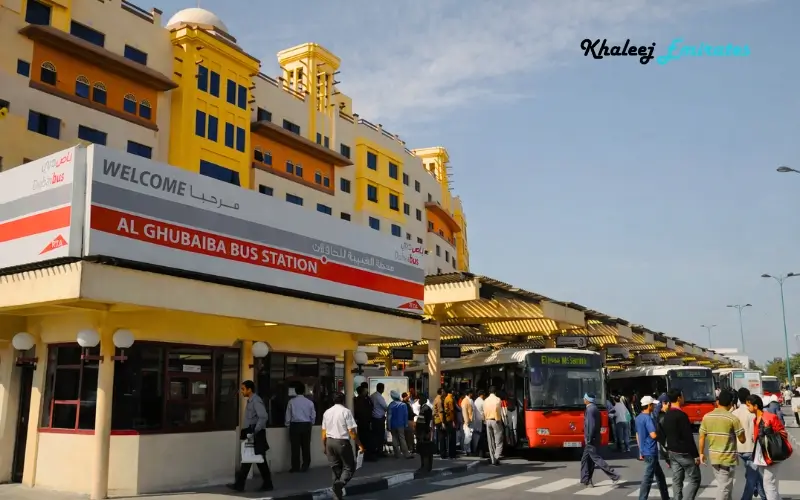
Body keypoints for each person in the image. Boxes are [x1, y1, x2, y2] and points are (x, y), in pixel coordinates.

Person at [698, 390, 746, 500]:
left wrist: (701, 453)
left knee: (725, 485)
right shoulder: (732, 418)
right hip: (727, 458)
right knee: (724, 488)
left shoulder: (707, 416)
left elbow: (702, 437)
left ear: (718, 402)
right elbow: (742, 439)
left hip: (714, 457)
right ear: (731, 404)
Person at [228, 380, 274, 492]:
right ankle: (242, 485)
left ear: (249, 389)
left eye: (243, 389)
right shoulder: (250, 401)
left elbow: (263, 417)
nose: (242, 391)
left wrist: (255, 430)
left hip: (256, 434)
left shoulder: (256, 401)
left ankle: (242, 485)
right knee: (251, 459)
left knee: (255, 459)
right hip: (251, 433)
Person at [322, 392, 366, 500]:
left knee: (335, 469)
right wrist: (360, 445)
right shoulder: (346, 412)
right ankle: (340, 484)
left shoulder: (327, 412)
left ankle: (337, 496)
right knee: (349, 467)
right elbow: (351, 431)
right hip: (341, 442)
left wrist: (324, 446)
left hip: (329, 442)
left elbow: (323, 432)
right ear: (343, 400)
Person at [747, 394, 789, 500]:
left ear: (755, 406)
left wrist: (769, 435)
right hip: (761, 454)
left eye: (749, 405)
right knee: (768, 482)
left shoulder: (770, 417)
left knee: (768, 482)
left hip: (772, 454)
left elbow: (782, 433)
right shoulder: (755, 419)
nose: (747, 408)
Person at [661, 389, 701, 500]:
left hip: (672, 451)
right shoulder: (681, 415)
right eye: (682, 396)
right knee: (695, 479)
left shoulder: (667, 415)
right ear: (679, 398)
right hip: (683, 452)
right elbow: (688, 437)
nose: (684, 398)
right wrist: (695, 455)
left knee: (677, 479)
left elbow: (663, 434)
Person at [581, 393, 621, 487]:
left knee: (595, 458)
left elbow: (591, 425)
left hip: (591, 439)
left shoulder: (590, 409)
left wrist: (589, 438)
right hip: (595, 437)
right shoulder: (595, 408)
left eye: (584, 398)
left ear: (587, 400)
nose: (583, 399)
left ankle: (614, 475)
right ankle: (586, 479)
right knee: (585, 459)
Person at [733, 388, 766, 500]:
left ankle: (764, 495)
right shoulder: (753, 412)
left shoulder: (734, 413)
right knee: (752, 478)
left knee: (754, 474)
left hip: (739, 449)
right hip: (752, 449)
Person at [635, 395, 669, 500]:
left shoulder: (638, 418)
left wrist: (640, 450)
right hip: (651, 451)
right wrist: (662, 437)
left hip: (645, 451)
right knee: (648, 479)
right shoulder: (648, 418)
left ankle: (666, 497)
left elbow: (637, 435)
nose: (654, 407)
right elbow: (653, 435)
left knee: (660, 477)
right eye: (653, 405)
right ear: (649, 405)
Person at [285, 383, 316, 473]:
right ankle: (305, 465)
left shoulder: (291, 402)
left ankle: (295, 467)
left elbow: (288, 415)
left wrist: (287, 424)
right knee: (306, 446)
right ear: (304, 391)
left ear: (295, 391)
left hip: (295, 425)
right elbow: (313, 415)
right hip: (306, 425)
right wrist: (311, 423)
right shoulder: (309, 402)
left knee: (295, 447)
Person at [387, 390, 413, 458]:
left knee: (394, 438)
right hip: (401, 424)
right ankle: (406, 454)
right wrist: (406, 424)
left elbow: (389, 416)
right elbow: (405, 415)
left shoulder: (391, 405)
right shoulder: (403, 405)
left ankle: (397, 454)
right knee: (402, 438)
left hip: (393, 425)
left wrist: (388, 425)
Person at [415, 392, 435, 473]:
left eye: (420, 398)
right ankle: (424, 466)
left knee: (425, 450)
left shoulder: (426, 409)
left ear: (424, 399)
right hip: (421, 432)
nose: (418, 400)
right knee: (422, 450)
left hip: (424, 433)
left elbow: (428, 422)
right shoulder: (423, 408)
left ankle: (426, 467)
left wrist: (427, 432)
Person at [483, 386, 504, 466]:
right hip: (495, 420)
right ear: (495, 392)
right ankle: (496, 457)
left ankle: (492, 459)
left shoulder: (485, 400)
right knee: (499, 440)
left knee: (490, 441)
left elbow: (484, 411)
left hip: (487, 420)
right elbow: (498, 410)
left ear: (489, 392)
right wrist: (498, 419)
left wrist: (485, 419)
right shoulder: (498, 399)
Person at [353, 385, 374, 460]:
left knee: (364, 438)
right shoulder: (363, 400)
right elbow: (369, 408)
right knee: (366, 438)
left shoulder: (359, 400)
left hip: (362, 421)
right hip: (364, 421)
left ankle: (365, 454)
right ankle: (367, 455)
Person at [370, 383, 388, 457]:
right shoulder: (379, 397)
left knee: (375, 435)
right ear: (382, 389)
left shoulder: (372, 395)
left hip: (373, 418)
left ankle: (375, 450)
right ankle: (380, 451)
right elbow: (385, 407)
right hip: (379, 418)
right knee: (380, 435)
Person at [443, 388, 457, 458]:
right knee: (452, 437)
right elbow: (452, 411)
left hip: (448, 419)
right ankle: (452, 453)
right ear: (452, 391)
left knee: (450, 437)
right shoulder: (450, 399)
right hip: (450, 419)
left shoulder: (447, 398)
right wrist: (453, 421)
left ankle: (451, 453)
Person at [471, 389, 485, 457]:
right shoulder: (483, 402)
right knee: (482, 438)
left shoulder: (475, 401)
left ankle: (476, 451)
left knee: (476, 437)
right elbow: (484, 412)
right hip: (481, 421)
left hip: (476, 421)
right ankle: (481, 453)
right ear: (482, 395)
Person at [460, 389, 474, 455]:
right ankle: (466, 450)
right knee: (467, 435)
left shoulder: (469, 400)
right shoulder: (465, 401)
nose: (472, 394)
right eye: (472, 393)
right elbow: (465, 412)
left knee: (469, 435)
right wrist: (467, 421)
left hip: (470, 420)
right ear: (469, 393)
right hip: (467, 421)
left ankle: (468, 449)